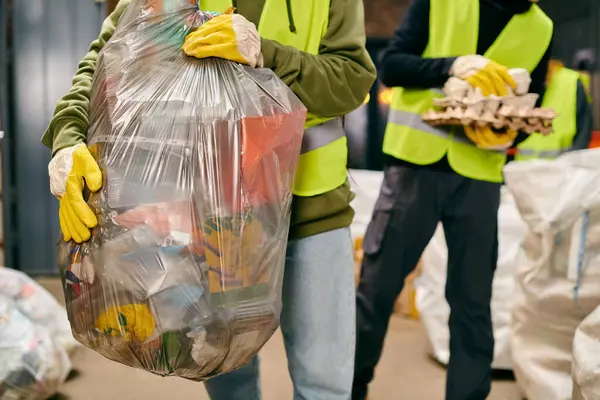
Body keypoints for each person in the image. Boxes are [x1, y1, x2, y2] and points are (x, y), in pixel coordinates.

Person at [41, 1, 376, 399]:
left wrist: (267, 54)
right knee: (220, 369)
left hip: (314, 213)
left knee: (324, 383)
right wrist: (68, 139)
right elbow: (101, 63)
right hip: (214, 221)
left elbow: (353, 80)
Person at [352, 0, 553, 399]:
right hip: (416, 168)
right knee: (377, 291)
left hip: (478, 176)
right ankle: (345, 388)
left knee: (472, 305)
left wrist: (505, 127)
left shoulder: (541, 27)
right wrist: (451, 66)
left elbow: (534, 96)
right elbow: (391, 66)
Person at [513, 64, 593, 160]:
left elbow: (583, 134)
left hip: (561, 171)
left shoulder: (571, 83)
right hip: (516, 170)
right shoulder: (515, 79)